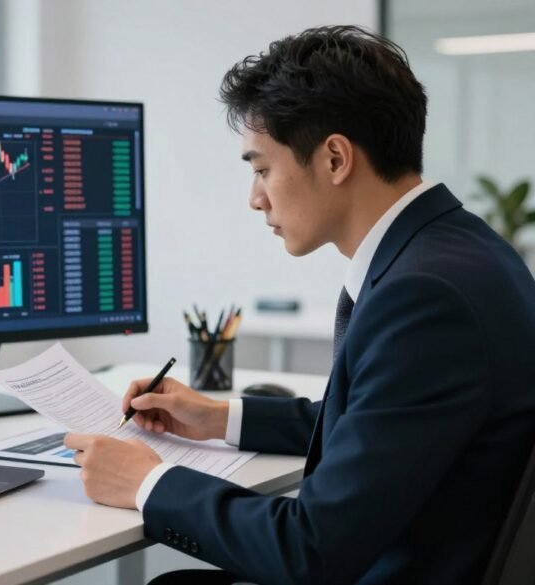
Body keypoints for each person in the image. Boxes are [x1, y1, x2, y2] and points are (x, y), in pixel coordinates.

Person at [63, 25, 535, 584]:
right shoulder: (461, 249)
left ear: (335, 158)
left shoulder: (424, 298)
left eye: (262, 168)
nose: (255, 198)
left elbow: (308, 550)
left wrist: (146, 482)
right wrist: (218, 418)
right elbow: (379, 422)